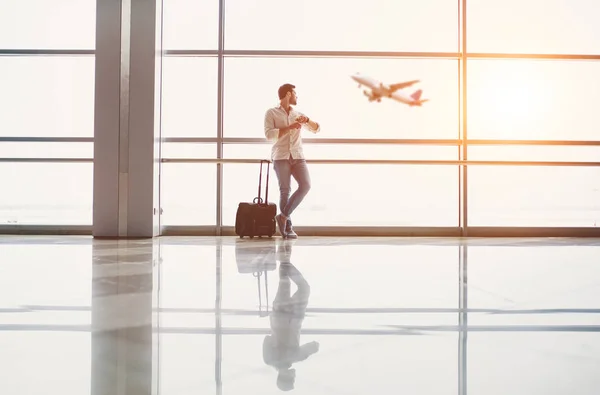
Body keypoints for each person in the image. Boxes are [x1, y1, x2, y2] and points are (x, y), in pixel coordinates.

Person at [264, 83, 321, 239]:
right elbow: (269, 135)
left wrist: (307, 120)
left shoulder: (298, 114)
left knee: (306, 185)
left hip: (297, 157)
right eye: (295, 93)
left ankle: (282, 216)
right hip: (281, 156)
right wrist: (289, 128)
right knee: (285, 190)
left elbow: (316, 129)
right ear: (288, 94)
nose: (297, 96)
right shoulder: (271, 113)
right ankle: (287, 227)